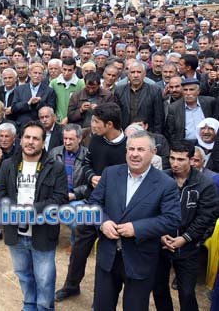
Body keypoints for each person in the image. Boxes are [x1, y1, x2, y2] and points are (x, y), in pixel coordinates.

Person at [91, 130, 181, 311]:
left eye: (140, 149)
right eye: (130, 149)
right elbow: (93, 204)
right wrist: (103, 222)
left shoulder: (165, 184)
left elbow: (172, 219)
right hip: (108, 257)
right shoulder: (110, 173)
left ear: (153, 152)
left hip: (140, 259)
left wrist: (137, 228)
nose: (134, 154)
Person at [55, 103, 128, 302]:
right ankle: (71, 286)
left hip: (115, 211)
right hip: (92, 204)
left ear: (109, 124)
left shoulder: (128, 147)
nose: (92, 125)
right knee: (79, 250)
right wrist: (91, 177)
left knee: (108, 258)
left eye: (96, 121)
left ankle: (104, 298)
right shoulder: (95, 139)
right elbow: (88, 163)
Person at [0, 120, 68, 311]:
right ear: (20, 140)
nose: (30, 142)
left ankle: (44, 308)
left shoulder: (55, 166)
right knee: (23, 275)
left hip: (43, 232)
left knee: (44, 279)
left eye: (36, 138)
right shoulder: (8, 165)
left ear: (43, 143)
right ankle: (29, 305)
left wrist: (33, 209)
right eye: (27, 137)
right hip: (15, 232)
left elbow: (60, 198)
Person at [153, 141, 219, 311]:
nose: (175, 163)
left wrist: (186, 238)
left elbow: (206, 217)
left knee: (187, 292)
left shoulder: (205, 184)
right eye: (172, 158)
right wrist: (160, 235)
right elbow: (151, 210)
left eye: (181, 159)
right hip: (161, 243)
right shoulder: (160, 178)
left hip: (188, 247)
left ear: (191, 160)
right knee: (159, 288)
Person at [48, 124, 88, 246]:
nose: (67, 142)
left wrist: (74, 194)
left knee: (75, 219)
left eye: (71, 139)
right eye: (65, 138)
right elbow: (46, 176)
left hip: (76, 197)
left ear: (79, 139)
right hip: (56, 195)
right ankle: (48, 240)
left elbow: (90, 184)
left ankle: (74, 244)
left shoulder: (87, 155)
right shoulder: (55, 152)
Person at [12, 62, 56, 128]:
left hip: (41, 125)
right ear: (29, 74)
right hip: (23, 125)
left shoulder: (49, 91)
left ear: (43, 76)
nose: (37, 75)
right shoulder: (19, 89)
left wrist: (40, 102)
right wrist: (28, 103)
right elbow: (14, 108)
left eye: (40, 73)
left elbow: (51, 109)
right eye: (35, 73)